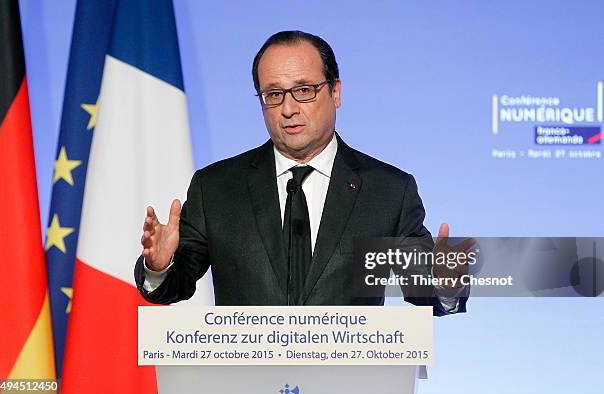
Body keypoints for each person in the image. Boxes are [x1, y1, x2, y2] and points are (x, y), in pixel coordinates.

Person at [135, 31, 469, 315]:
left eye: (304, 90)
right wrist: (159, 266)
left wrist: (445, 282)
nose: (289, 108)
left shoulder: (386, 191)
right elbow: (171, 287)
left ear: (335, 92)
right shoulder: (216, 188)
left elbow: (422, 287)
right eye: (274, 94)